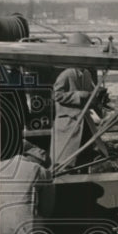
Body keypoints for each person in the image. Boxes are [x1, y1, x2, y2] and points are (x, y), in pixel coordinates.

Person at [50, 32, 110, 173]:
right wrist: (78, 95)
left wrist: (98, 97)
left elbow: (90, 95)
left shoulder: (87, 74)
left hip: (83, 122)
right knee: (65, 157)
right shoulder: (67, 74)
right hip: (69, 123)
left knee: (83, 153)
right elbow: (56, 95)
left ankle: (81, 174)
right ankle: (65, 176)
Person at [0, 141, 53, 234]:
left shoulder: (1, 166)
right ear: (40, 160)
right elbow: (47, 206)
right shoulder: (39, 170)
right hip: (20, 218)